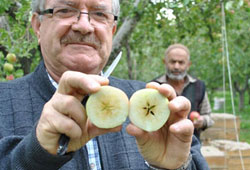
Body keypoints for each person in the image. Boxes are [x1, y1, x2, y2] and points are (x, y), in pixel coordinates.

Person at [0, 1, 209, 169]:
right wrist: (34, 157)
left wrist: (177, 167)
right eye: (65, 10)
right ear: (37, 25)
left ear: (112, 30)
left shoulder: (150, 102)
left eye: (100, 14)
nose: (83, 26)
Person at [152, 43, 214, 142]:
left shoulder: (198, 86)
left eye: (181, 62)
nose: (176, 66)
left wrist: (202, 121)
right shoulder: (154, 86)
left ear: (188, 65)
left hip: (192, 144)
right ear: (165, 62)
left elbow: (208, 117)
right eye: (172, 62)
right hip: (161, 143)